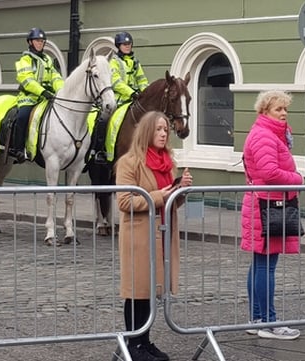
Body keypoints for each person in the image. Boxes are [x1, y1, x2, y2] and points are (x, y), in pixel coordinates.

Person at [115, 110, 192, 361]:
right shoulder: (130, 161)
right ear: (147, 132)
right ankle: (134, 343)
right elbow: (125, 201)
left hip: (161, 232)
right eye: (158, 130)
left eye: (165, 130)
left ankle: (145, 341)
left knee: (151, 291)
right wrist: (160, 195)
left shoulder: (166, 162)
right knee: (137, 290)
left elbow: (169, 201)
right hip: (139, 236)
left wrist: (181, 191)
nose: (163, 134)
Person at [241, 90, 303, 340]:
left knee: (260, 264)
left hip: (265, 206)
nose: (284, 113)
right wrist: (297, 179)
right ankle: (269, 322)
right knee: (266, 266)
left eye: (285, 109)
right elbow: (269, 172)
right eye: (278, 109)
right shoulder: (265, 135)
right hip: (267, 207)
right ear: (264, 111)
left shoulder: (268, 134)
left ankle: (258, 318)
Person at [92, 31, 149, 164]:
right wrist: (132, 93)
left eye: (129, 44)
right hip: (118, 100)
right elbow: (116, 82)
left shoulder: (135, 62)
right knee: (103, 120)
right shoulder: (113, 62)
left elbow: (142, 80)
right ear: (118, 46)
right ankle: (99, 150)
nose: (127, 46)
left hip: (135, 100)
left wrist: (145, 93)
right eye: (124, 44)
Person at [11, 27, 64, 164]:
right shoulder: (25, 60)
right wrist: (43, 92)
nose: (40, 43)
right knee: (22, 117)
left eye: (42, 41)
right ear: (30, 42)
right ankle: (18, 149)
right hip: (29, 98)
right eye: (37, 41)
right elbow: (27, 80)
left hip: (47, 98)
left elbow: (55, 77)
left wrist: (61, 91)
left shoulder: (47, 59)